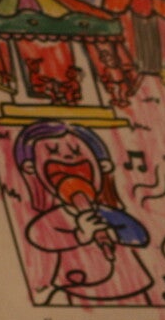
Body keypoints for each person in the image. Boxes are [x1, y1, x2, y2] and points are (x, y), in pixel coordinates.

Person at [11, 121, 153, 304]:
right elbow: (38, 236)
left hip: (132, 288)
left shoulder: (107, 213)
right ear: (31, 168)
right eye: (53, 152)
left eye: (77, 152)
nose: (68, 156)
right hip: (80, 291)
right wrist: (79, 235)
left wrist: (113, 233)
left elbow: (140, 236)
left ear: (103, 166)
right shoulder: (55, 218)